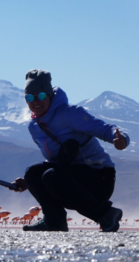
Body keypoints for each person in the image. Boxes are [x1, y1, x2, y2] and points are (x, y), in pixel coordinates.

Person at [11, 69, 130, 232]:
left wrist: (121, 139)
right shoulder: (35, 127)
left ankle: (106, 214)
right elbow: (56, 161)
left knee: (51, 176)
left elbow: (105, 128)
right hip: (69, 177)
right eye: (30, 97)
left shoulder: (69, 113)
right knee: (32, 173)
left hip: (99, 178)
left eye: (41, 96)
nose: (36, 101)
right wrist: (30, 183)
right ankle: (54, 222)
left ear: (49, 95)